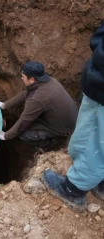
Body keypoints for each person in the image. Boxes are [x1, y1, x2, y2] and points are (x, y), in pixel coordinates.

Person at [41, 21, 104, 212]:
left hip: (102, 91)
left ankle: (72, 190)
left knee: (93, 140)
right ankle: (101, 183)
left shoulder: (40, 96)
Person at [0, 61, 78, 151]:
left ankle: (51, 145)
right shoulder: (50, 81)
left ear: (32, 79)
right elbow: (26, 93)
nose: (21, 78)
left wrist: (5, 136)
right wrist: (5, 105)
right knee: (29, 119)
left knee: (23, 134)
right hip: (72, 119)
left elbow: (23, 124)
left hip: (63, 130)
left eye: (23, 77)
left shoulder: (37, 99)